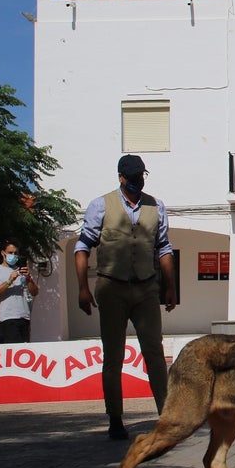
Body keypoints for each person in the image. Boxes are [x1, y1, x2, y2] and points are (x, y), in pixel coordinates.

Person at [75, 154, 177, 441]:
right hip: (112, 286)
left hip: (145, 287)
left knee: (155, 353)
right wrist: (83, 288)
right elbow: (82, 247)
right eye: (132, 178)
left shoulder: (155, 206)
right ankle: (115, 418)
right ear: (121, 177)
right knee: (113, 356)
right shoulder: (100, 205)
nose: (137, 182)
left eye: (141, 177)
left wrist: (170, 287)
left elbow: (164, 248)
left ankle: (166, 416)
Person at [0, 241, 39, 343]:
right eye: (10, 253)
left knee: (24, 352)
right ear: (3, 253)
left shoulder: (21, 271)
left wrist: (29, 278)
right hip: (8, 318)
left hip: (24, 317)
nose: (13, 256)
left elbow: (35, 292)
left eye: (16, 253)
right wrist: (9, 281)